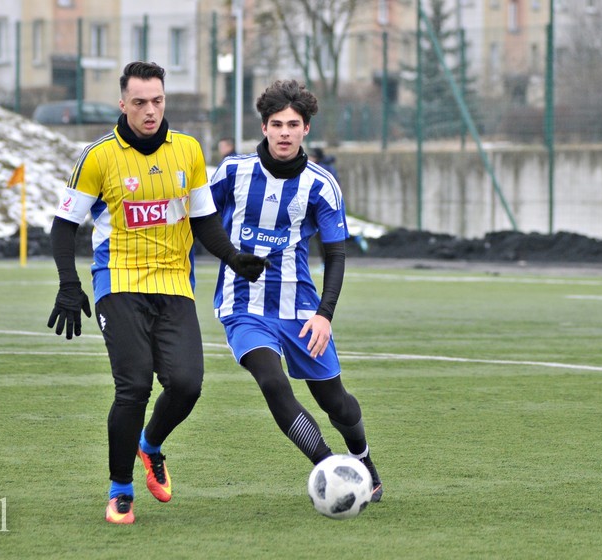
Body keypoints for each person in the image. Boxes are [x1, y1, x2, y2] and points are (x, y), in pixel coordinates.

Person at [46, 61, 267, 525]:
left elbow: (203, 219)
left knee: (187, 385)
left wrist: (232, 257)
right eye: (141, 102)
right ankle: (120, 488)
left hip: (173, 283)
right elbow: (64, 226)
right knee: (134, 386)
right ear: (122, 103)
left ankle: (150, 445)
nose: (150, 111)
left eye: (158, 101)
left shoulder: (187, 150)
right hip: (119, 281)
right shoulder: (98, 156)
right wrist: (69, 284)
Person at [207, 80, 383, 504]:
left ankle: (364, 461)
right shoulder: (232, 172)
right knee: (272, 382)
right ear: (264, 128)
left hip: (302, 308)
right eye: (276, 124)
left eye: (293, 124)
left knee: (337, 404)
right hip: (243, 305)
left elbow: (336, 255)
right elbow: (199, 221)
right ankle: (331, 470)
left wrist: (324, 314)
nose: (284, 132)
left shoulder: (322, 185)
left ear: (306, 129)